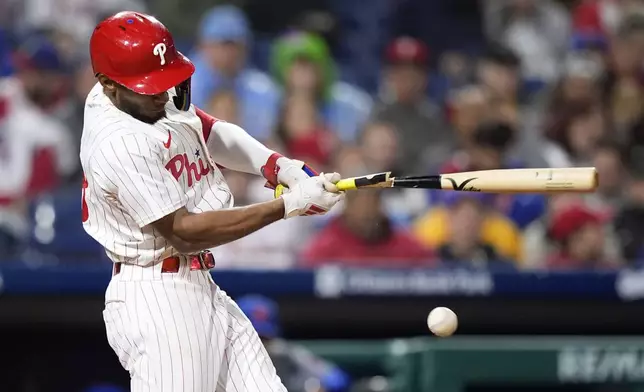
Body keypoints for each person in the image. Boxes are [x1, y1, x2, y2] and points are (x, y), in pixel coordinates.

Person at [80, 12, 344, 392]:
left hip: (197, 283)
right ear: (107, 84)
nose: (162, 94)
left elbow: (200, 126)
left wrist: (276, 165)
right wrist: (289, 205)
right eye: (148, 87)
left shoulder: (135, 94)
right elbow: (184, 232)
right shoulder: (118, 142)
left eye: (163, 81)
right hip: (158, 295)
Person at [237, 295, 351, 392]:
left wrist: (314, 387)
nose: (259, 345)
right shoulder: (223, 356)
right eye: (252, 338)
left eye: (264, 338)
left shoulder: (283, 353)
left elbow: (337, 378)